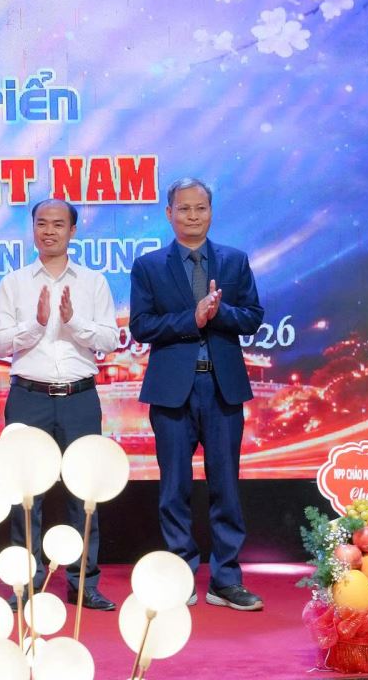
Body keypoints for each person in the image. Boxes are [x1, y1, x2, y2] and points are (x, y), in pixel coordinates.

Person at [129, 178, 264, 612]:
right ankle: (180, 575)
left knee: (226, 487)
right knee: (174, 488)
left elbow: (253, 317)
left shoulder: (234, 260)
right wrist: (193, 318)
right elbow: (142, 326)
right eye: (184, 208)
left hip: (222, 388)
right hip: (172, 391)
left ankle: (226, 580)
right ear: (169, 213)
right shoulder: (149, 266)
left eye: (200, 208)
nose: (192, 215)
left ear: (211, 211)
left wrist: (218, 313)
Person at [0, 199, 118, 612]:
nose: (49, 231)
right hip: (29, 397)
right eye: (42, 224)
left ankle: (84, 584)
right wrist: (37, 324)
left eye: (58, 224)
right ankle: (26, 583)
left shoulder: (93, 282)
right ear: (32, 229)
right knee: (26, 495)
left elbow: (110, 340)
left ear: (72, 231)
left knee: (85, 493)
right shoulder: (14, 282)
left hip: (80, 397)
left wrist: (73, 321)